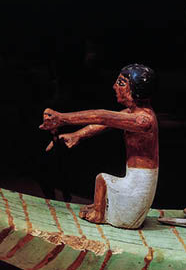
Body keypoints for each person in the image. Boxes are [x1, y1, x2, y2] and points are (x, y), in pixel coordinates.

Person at [40, 64, 159, 229]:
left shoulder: (143, 120)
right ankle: (102, 208)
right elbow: (104, 123)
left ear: (135, 89)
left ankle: (99, 213)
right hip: (137, 184)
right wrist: (77, 135)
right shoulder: (135, 114)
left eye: (121, 83)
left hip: (138, 188)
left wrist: (62, 118)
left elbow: (102, 117)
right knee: (105, 181)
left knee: (102, 179)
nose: (114, 86)